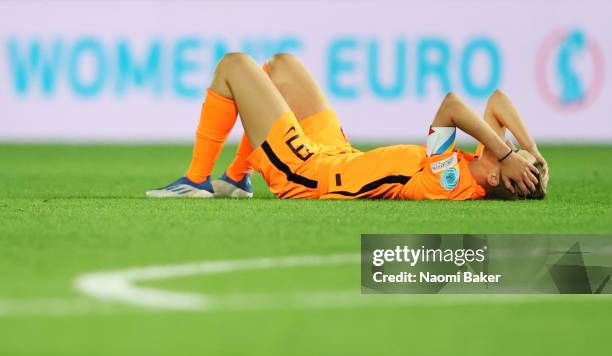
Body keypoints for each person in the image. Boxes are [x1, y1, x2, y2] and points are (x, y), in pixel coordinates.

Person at [147, 53, 548, 200]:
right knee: (282, 67)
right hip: (339, 153)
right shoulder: (483, 164)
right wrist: (532, 152)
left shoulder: (449, 181)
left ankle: (196, 180)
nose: (504, 142)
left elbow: (452, 106)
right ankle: (237, 179)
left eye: (507, 151)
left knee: (234, 66)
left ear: (497, 172)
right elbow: (496, 100)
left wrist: (514, 155)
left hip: (309, 173)